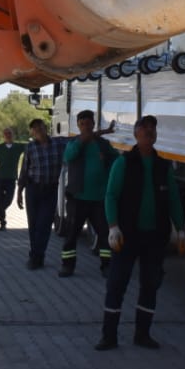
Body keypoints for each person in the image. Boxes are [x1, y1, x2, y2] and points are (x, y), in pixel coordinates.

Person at [96, 115, 185, 351]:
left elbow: (174, 200)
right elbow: (111, 196)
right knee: (117, 284)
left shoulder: (163, 167)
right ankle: (109, 336)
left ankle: (142, 334)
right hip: (127, 236)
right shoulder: (123, 163)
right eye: (145, 130)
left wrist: (181, 229)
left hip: (154, 237)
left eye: (153, 130)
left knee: (151, 284)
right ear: (136, 134)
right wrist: (113, 227)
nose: (149, 133)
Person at [58, 109, 117, 278]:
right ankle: (67, 266)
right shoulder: (74, 143)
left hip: (99, 198)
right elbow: (69, 156)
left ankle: (107, 266)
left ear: (93, 124)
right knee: (72, 234)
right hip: (78, 198)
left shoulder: (103, 144)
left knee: (105, 234)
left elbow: (115, 160)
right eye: (82, 124)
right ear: (78, 126)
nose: (86, 127)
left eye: (89, 123)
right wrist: (95, 134)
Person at [19, 118, 64, 269]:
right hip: (33, 190)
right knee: (33, 225)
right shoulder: (30, 148)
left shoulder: (59, 143)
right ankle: (35, 257)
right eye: (35, 129)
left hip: (50, 190)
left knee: (44, 224)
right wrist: (19, 192)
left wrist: (104, 132)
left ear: (46, 128)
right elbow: (24, 171)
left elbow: (81, 137)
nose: (39, 131)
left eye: (40, 127)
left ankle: (38, 255)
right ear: (32, 133)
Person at [0, 126, 27, 230]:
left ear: (13, 135)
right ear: (3, 135)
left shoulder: (18, 147)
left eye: (10, 133)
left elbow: (31, 147)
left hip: (11, 178)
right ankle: (3, 223)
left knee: (8, 200)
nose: (8, 135)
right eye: (6, 133)